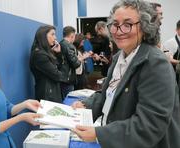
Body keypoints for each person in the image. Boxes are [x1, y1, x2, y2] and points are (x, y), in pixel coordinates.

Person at [72, 1, 180, 148]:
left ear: (144, 27)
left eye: (127, 24)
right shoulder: (119, 58)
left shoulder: (155, 64)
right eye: (115, 24)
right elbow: (109, 92)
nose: (119, 30)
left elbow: (149, 125)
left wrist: (99, 134)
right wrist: (86, 105)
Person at [29, 25, 68, 103]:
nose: (55, 37)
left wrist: (58, 54)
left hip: (51, 94)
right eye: (52, 34)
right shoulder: (40, 55)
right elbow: (58, 75)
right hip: (48, 97)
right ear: (43, 36)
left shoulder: (44, 52)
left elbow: (58, 68)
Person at [58, 26, 91, 97]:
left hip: (62, 77)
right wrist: (83, 58)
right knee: (69, 101)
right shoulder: (69, 46)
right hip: (68, 79)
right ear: (72, 35)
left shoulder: (60, 44)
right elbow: (75, 63)